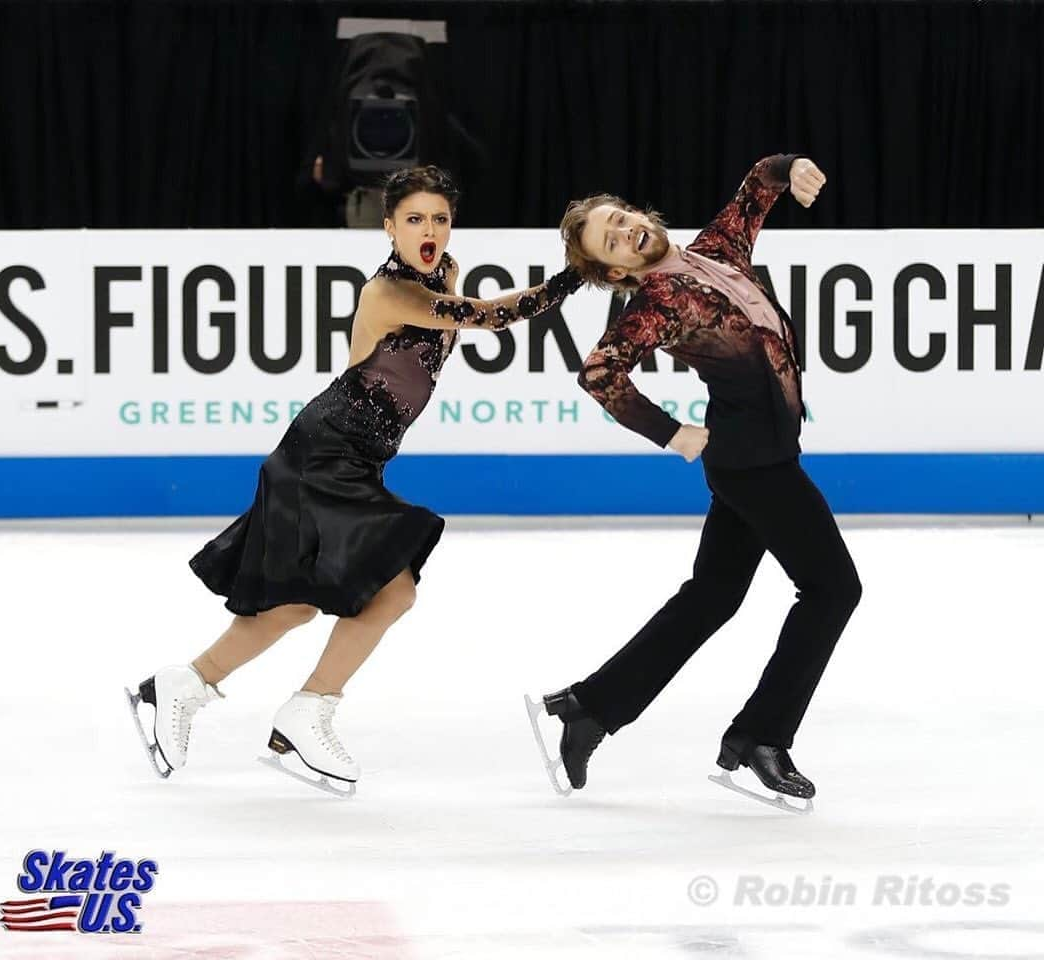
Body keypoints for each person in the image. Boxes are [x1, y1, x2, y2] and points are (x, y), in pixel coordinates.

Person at [127, 165, 581, 793]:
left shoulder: (445, 272)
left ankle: (180, 686)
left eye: (440, 218)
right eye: (414, 219)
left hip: (357, 457)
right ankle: (308, 713)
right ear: (388, 225)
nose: (429, 230)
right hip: (323, 452)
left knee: (290, 607)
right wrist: (576, 275)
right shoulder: (389, 292)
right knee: (392, 590)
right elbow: (494, 317)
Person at [530, 154, 861, 808]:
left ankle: (590, 708)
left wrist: (791, 170)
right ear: (616, 271)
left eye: (621, 218)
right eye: (612, 239)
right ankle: (762, 737)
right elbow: (599, 374)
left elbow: (757, 183)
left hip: (756, 456)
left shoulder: (717, 249)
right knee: (833, 589)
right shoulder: (657, 300)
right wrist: (671, 433)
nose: (625, 231)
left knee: (712, 596)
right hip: (754, 464)